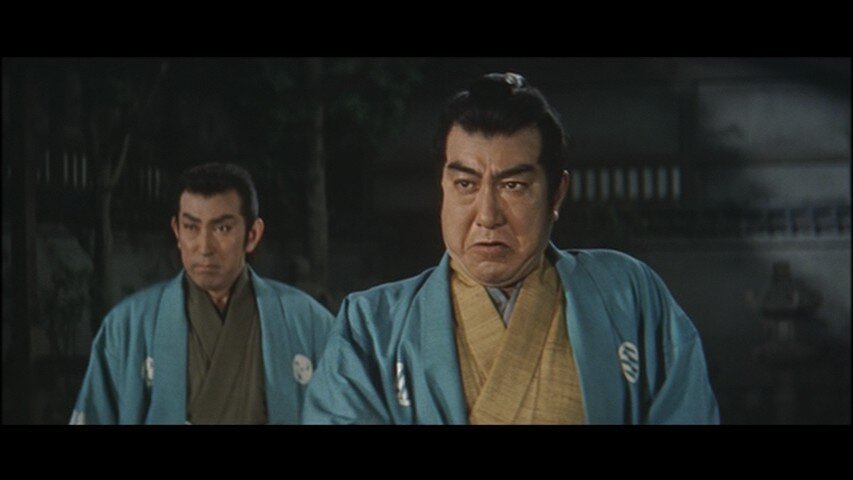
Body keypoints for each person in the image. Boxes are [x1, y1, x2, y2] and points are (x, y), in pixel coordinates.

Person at [303, 73, 719, 424]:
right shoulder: (372, 325)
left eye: (514, 186)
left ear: (557, 193)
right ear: (442, 188)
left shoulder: (627, 295)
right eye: (465, 184)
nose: (487, 215)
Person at [71, 163, 334, 424]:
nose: (204, 247)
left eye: (222, 228)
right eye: (191, 227)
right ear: (177, 231)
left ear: (252, 235)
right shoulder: (128, 325)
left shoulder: (308, 322)